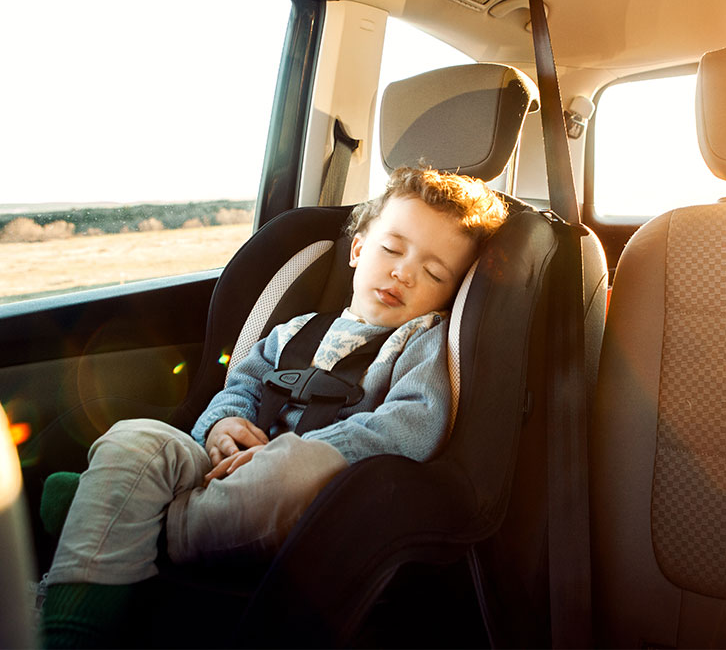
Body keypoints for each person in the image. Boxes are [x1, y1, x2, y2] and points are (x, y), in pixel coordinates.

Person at [39, 166, 508, 648]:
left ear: (450, 294)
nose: (404, 273)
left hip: (309, 496)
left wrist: (302, 451)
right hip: (224, 467)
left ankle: (125, 514)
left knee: (295, 470)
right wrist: (223, 424)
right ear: (358, 250)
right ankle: (71, 630)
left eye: (433, 273)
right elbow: (241, 384)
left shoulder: (423, 342)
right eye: (391, 249)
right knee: (136, 437)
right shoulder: (294, 329)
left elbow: (412, 423)